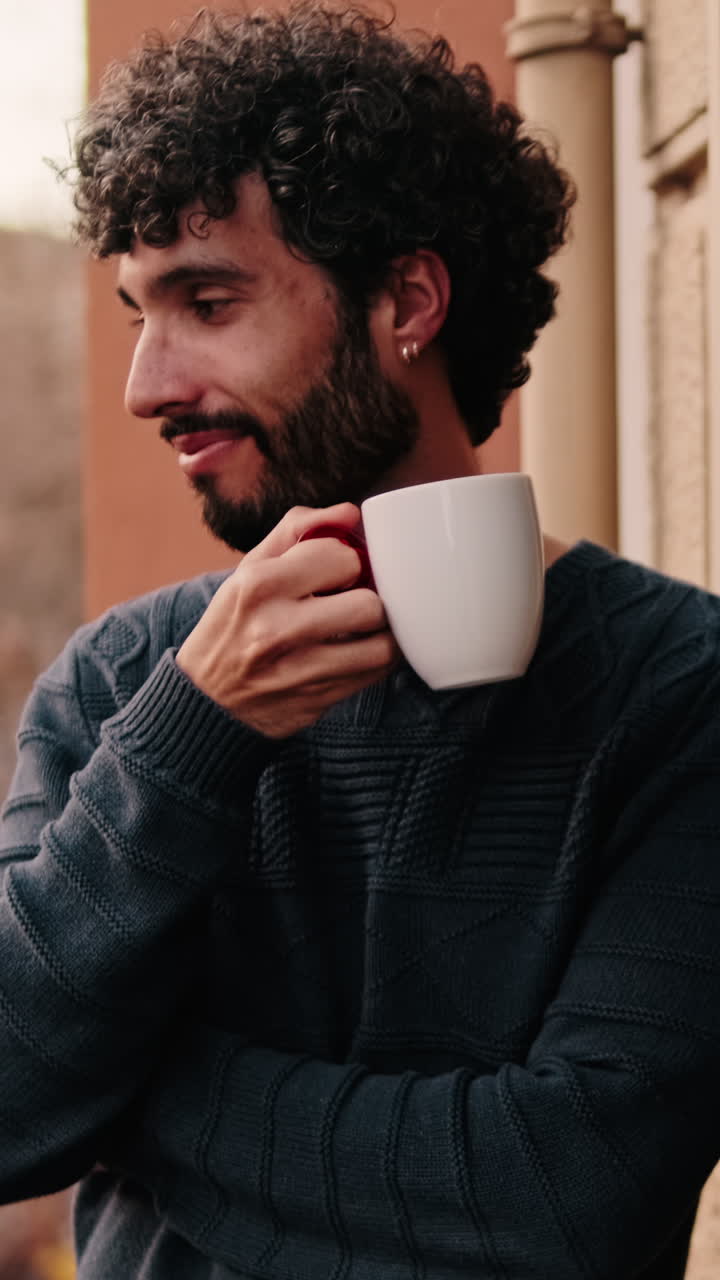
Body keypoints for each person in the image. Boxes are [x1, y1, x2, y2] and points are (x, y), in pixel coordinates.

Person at [2, 4, 720, 1277]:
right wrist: (190, 741)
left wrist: (131, 1077)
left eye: (207, 300)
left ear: (409, 299)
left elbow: (563, 1199)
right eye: (135, 316)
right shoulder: (121, 685)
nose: (146, 386)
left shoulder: (682, 688)